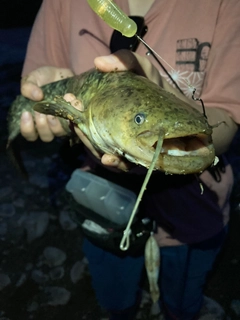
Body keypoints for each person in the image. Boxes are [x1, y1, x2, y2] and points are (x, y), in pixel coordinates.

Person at [18, 1, 240, 319]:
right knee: (116, 299)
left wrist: (167, 97)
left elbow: (227, 117)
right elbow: (34, 96)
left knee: (183, 302)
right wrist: (40, 100)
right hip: (105, 209)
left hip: (194, 215)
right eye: (139, 120)